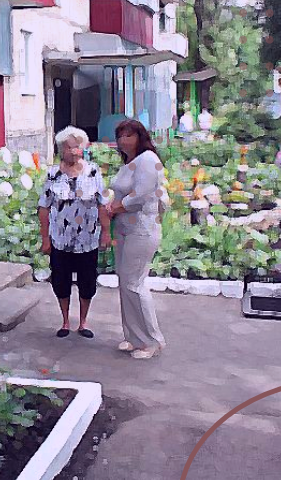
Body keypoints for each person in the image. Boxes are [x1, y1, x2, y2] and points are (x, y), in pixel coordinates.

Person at [38, 127, 111, 339]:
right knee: (61, 281)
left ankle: (83, 322)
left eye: (77, 146)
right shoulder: (53, 174)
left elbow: (102, 204)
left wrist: (106, 232)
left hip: (88, 239)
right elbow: (44, 207)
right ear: (61, 149)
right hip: (61, 239)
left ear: (83, 148)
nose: (73, 151)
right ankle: (65, 321)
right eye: (68, 147)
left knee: (87, 282)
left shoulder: (94, 171)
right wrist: (45, 238)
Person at [107, 119, 169, 359]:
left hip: (142, 229)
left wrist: (114, 209)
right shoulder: (131, 163)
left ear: (140, 137)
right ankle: (134, 337)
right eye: (121, 136)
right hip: (125, 228)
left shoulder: (148, 160)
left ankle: (152, 341)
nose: (124, 141)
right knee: (125, 283)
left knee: (135, 283)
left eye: (129, 136)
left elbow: (140, 196)